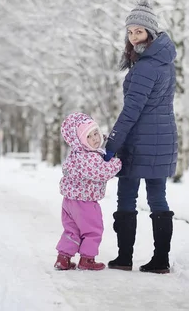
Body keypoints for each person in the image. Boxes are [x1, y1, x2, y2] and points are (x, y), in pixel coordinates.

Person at [103, 0, 178, 274]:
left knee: (126, 197)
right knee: (158, 197)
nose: (134, 37)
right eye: (130, 32)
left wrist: (113, 143)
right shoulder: (164, 62)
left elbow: (132, 110)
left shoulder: (146, 66)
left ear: (151, 32)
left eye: (139, 31)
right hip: (163, 137)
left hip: (139, 141)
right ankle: (161, 260)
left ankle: (125, 257)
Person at [54, 112, 122, 271]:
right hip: (85, 201)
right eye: (89, 136)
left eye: (96, 133)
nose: (95, 138)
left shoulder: (77, 153)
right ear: (82, 141)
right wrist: (117, 163)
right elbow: (102, 172)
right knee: (93, 229)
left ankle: (63, 258)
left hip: (69, 201)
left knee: (72, 230)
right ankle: (87, 259)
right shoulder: (89, 157)